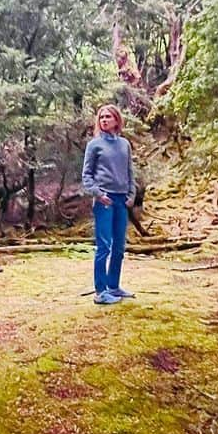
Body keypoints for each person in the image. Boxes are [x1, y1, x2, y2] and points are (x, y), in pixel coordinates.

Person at [81, 104, 136, 304]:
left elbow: (130, 172)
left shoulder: (124, 144)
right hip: (104, 199)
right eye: (101, 117)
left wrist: (132, 194)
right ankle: (100, 291)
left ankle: (114, 286)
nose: (104, 120)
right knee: (104, 246)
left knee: (119, 247)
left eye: (108, 117)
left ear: (116, 120)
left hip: (122, 199)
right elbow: (86, 176)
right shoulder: (94, 145)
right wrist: (98, 194)